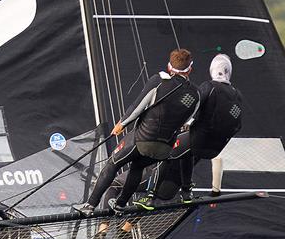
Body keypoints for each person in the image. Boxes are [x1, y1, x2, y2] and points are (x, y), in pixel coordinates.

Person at [73, 49, 200, 216]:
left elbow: (137, 107)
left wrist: (122, 124)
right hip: (165, 149)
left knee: (113, 163)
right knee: (138, 166)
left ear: (169, 67)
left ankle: (89, 205)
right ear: (190, 69)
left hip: (143, 139)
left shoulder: (158, 81)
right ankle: (120, 204)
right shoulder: (195, 94)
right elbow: (186, 121)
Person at [135, 53, 243, 209]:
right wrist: (216, 191)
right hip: (214, 148)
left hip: (198, 139)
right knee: (188, 154)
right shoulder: (237, 95)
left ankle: (151, 196)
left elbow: (192, 106)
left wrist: (187, 123)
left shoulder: (209, 86)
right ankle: (186, 193)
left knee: (166, 150)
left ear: (213, 70)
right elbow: (237, 125)